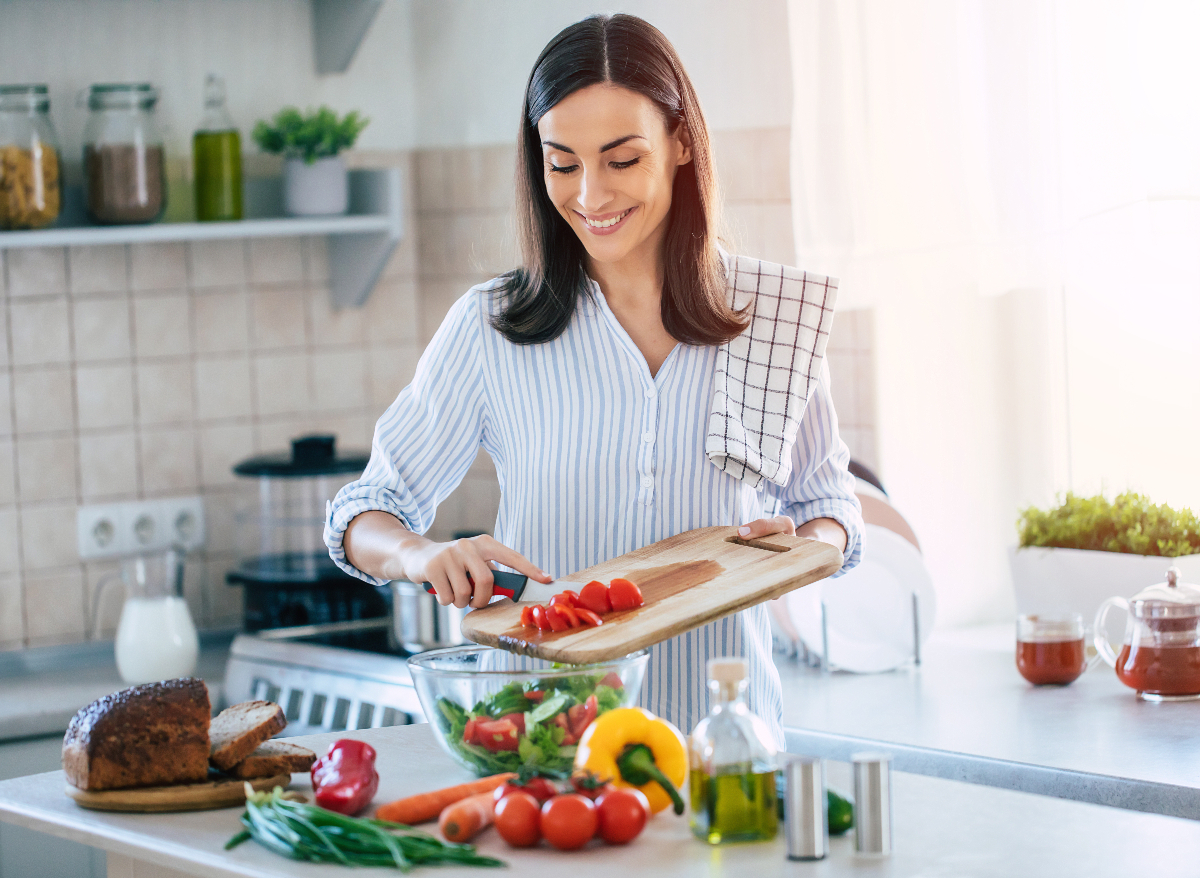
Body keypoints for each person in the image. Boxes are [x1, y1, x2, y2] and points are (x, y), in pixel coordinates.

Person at [325, 13, 863, 746]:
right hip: (545, 758)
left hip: (724, 748)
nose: (590, 196)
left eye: (620, 159)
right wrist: (422, 555)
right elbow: (363, 512)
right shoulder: (490, 327)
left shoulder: (773, 319)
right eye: (563, 162)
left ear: (680, 142)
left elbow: (832, 507)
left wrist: (800, 542)